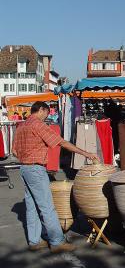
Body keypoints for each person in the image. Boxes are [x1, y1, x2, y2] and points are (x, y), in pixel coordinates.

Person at [12, 101, 99, 253]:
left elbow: (14, 151)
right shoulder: (38, 125)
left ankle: (34, 240)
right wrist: (85, 153)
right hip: (35, 168)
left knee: (32, 206)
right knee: (47, 207)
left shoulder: (21, 126)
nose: (47, 116)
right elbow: (61, 142)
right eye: (47, 112)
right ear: (41, 110)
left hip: (24, 168)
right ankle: (56, 241)